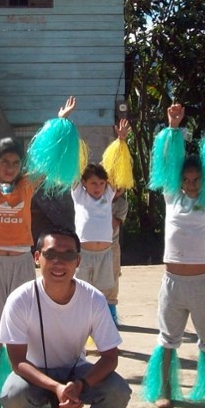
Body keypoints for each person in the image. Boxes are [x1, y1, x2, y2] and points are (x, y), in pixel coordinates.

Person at [0, 92, 77, 408]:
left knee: (26, 331)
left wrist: (61, 121)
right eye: (3, 161)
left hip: (22, 263)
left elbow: (47, 160)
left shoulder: (26, 185)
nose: (9, 167)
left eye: (14, 162)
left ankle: (27, 392)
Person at [0, 227, 131, 408]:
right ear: (37, 257)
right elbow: (17, 361)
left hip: (76, 371)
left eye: (69, 255)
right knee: (11, 394)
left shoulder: (93, 299)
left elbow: (110, 357)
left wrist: (81, 385)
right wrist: (56, 387)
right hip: (34, 373)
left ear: (78, 260)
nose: (59, 262)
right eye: (51, 254)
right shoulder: (20, 299)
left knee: (118, 390)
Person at [143, 100, 205, 408]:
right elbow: (167, 158)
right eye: (187, 180)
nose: (192, 184)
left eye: (197, 180)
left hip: (203, 284)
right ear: (178, 180)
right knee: (167, 341)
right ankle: (165, 390)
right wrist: (173, 126)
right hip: (172, 283)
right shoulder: (171, 196)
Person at [70, 119, 130, 326]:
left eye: (101, 183)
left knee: (105, 294)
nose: (98, 187)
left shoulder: (108, 195)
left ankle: (107, 328)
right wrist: (69, 130)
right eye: (93, 183)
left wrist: (121, 140)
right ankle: (79, 330)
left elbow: (115, 167)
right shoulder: (79, 195)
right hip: (83, 254)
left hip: (105, 254)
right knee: (80, 292)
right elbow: (74, 168)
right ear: (84, 184)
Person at [105, 189, 129, 324]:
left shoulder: (122, 204)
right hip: (91, 247)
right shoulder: (94, 197)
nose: (118, 187)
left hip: (112, 246)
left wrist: (105, 204)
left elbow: (113, 225)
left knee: (113, 278)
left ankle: (111, 311)